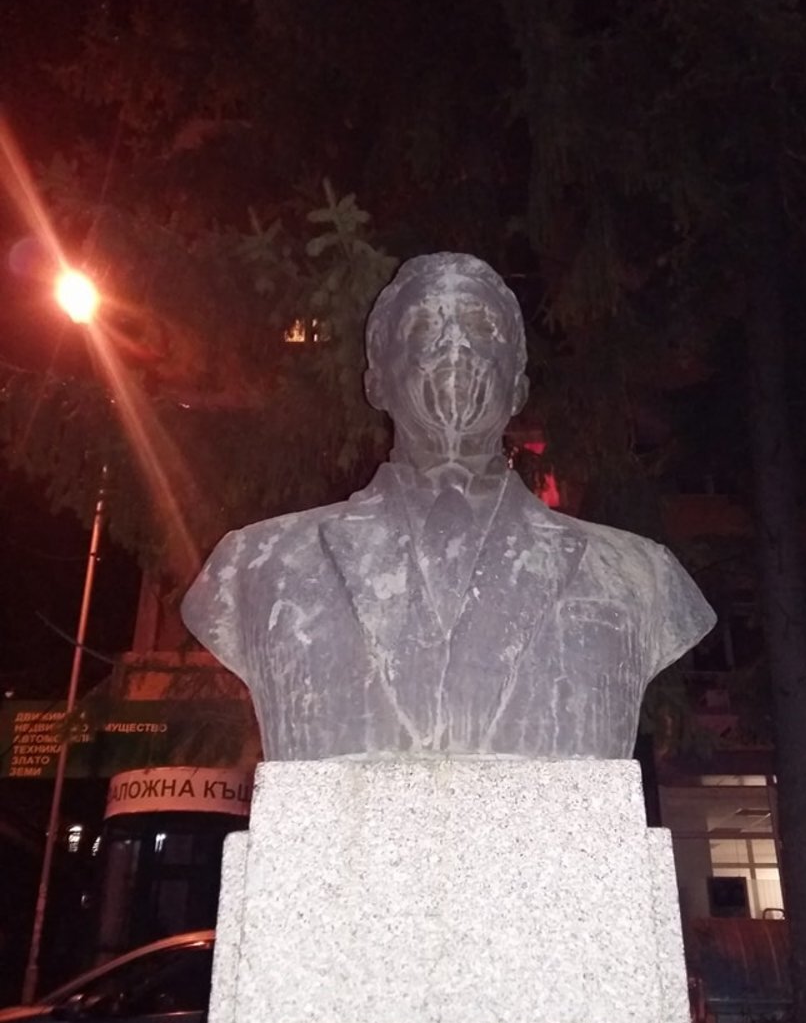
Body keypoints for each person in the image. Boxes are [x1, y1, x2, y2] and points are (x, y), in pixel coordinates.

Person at [182, 253, 714, 760]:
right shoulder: (258, 565)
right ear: (375, 380)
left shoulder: (639, 577)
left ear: (519, 386)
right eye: (423, 326)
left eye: (483, 327)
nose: (455, 343)